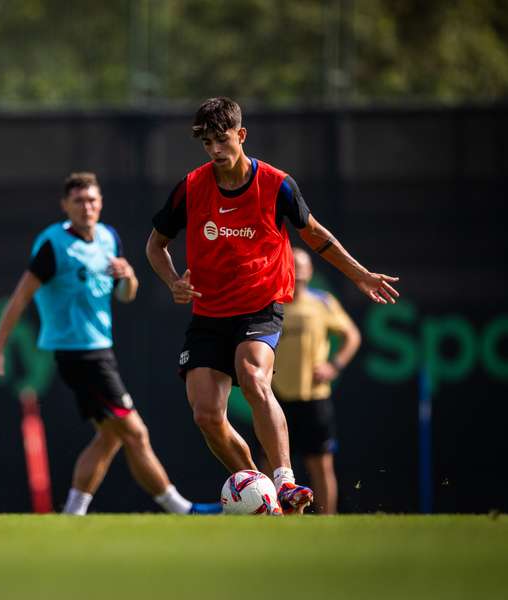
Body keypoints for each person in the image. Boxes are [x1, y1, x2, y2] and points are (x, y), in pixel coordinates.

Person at [145, 97, 398, 514]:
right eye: (206, 142)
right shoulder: (192, 187)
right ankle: (259, 493)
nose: (214, 150)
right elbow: (156, 245)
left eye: (221, 139)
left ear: (241, 135)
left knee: (252, 376)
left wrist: (360, 275)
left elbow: (314, 234)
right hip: (208, 315)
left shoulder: (277, 184)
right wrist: (173, 281)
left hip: (259, 308)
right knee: (206, 415)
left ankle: (284, 483)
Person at [0, 172, 219, 516]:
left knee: (111, 437)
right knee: (136, 433)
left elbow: (126, 295)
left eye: (92, 200)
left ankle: (73, 513)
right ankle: (181, 509)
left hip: (100, 350)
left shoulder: (109, 238)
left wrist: (129, 277)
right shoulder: (53, 244)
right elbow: (19, 298)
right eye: (78, 201)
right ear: (65, 206)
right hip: (79, 355)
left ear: (101, 203)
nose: (86, 207)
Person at [271, 247, 361, 514]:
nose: (297, 271)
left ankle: (326, 520)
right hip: (277, 398)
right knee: (270, 466)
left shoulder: (322, 302)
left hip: (314, 398)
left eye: (302, 266)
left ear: (310, 271)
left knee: (320, 465)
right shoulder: (272, 304)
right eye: (292, 265)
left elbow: (352, 335)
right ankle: (267, 519)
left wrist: (334, 365)